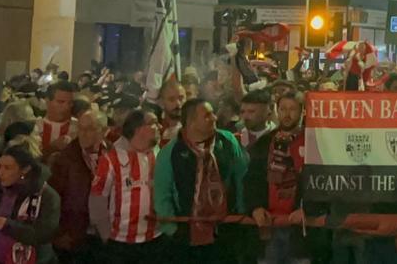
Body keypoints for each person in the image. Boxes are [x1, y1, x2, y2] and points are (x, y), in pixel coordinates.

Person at [154, 98, 247, 262]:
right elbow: (162, 195)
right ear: (191, 122)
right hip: (186, 237)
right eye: (207, 115)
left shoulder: (227, 141)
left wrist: (241, 214)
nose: (214, 118)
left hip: (226, 231)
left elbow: (241, 177)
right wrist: (173, 230)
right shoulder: (170, 152)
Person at [90, 109, 165, 260]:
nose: (160, 127)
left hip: (155, 238)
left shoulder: (159, 154)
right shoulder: (112, 159)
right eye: (153, 123)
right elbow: (97, 197)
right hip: (120, 242)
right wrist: (105, 234)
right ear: (138, 129)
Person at [0, 145, 61, 264]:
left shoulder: (47, 196)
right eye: (1, 166)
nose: (1, 172)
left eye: (7, 168)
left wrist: (8, 226)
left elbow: (45, 234)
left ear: (25, 170)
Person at [245, 92, 308, 264]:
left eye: (292, 109)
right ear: (276, 111)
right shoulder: (264, 143)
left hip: (300, 228)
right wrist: (255, 207)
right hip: (269, 225)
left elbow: (320, 182)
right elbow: (252, 180)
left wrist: (308, 208)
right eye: (283, 109)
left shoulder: (313, 142)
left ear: (303, 111)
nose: (287, 114)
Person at [48, 110, 107, 264]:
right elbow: (53, 199)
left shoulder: (113, 154)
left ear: (104, 131)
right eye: (80, 128)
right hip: (75, 233)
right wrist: (59, 234)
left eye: (90, 129)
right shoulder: (65, 159)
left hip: (105, 233)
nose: (83, 133)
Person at [34, 81, 79, 159]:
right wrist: (51, 147)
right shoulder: (34, 127)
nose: (66, 107)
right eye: (61, 102)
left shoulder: (79, 127)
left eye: (70, 103)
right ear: (47, 101)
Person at [157, 81, 185, 149]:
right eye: (171, 99)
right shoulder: (157, 129)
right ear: (161, 102)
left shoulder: (194, 126)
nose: (178, 103)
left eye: (181, 98)